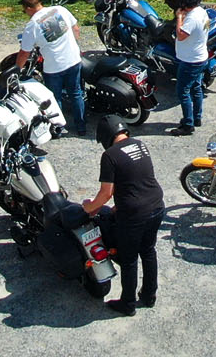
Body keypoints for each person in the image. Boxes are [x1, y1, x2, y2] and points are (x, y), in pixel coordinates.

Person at [80, 114, 165, 316]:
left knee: (128, 260)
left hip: (135, 215)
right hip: (156, 206)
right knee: (148, 250)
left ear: (106, 136)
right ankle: (149, 295)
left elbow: (106, 193)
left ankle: (127, 303)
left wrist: (89, 208)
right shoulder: (140, 145)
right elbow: (135, 180)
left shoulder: (110, 155)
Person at [15, 0, 86, 135]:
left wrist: (16, 70)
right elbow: (75, 28)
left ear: (29, 8)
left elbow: (25, 52)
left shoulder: (33, 25)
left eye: (24, 11)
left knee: (55, 97)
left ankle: (57, 128)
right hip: (73, 59)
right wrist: (74, 45)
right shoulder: (60, 9)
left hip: (54, 67)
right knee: (76, 93)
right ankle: (81, 126)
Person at [170, 0, 209, 135]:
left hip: (190, 61)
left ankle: (188, 124)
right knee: (196, 88)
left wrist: (179, 17)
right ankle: (196, 117)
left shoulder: (191, 18)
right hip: (200, 57)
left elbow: (181, 35)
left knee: (183, 91)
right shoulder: (202, 12)